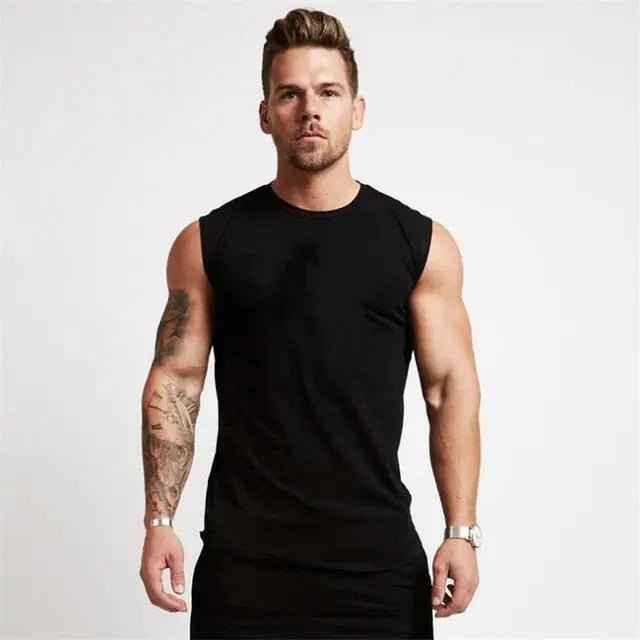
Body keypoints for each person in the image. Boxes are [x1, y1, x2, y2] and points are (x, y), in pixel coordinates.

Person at [138, 7, 482, 639]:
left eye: (328, 92)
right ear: (265, 113)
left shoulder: (420, 244)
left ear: (358, 109)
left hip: (375, 570)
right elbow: (176, 382)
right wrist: (159, 521)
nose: (310, 110)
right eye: (289, 94)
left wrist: (461, 530)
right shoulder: (209, 243)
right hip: (245, 570)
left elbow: (448, 389)